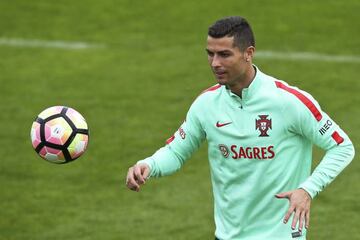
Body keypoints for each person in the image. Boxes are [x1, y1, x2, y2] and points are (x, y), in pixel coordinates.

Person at [126, 16, 355, 240]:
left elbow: (342, 146)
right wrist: (149, 165)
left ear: (249, 53)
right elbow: (176, 151)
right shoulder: (206, 104)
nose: (215, 63)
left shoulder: (289, 102)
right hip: (227, 236)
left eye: (224, 54)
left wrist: (307, 190)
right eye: (210, 54)